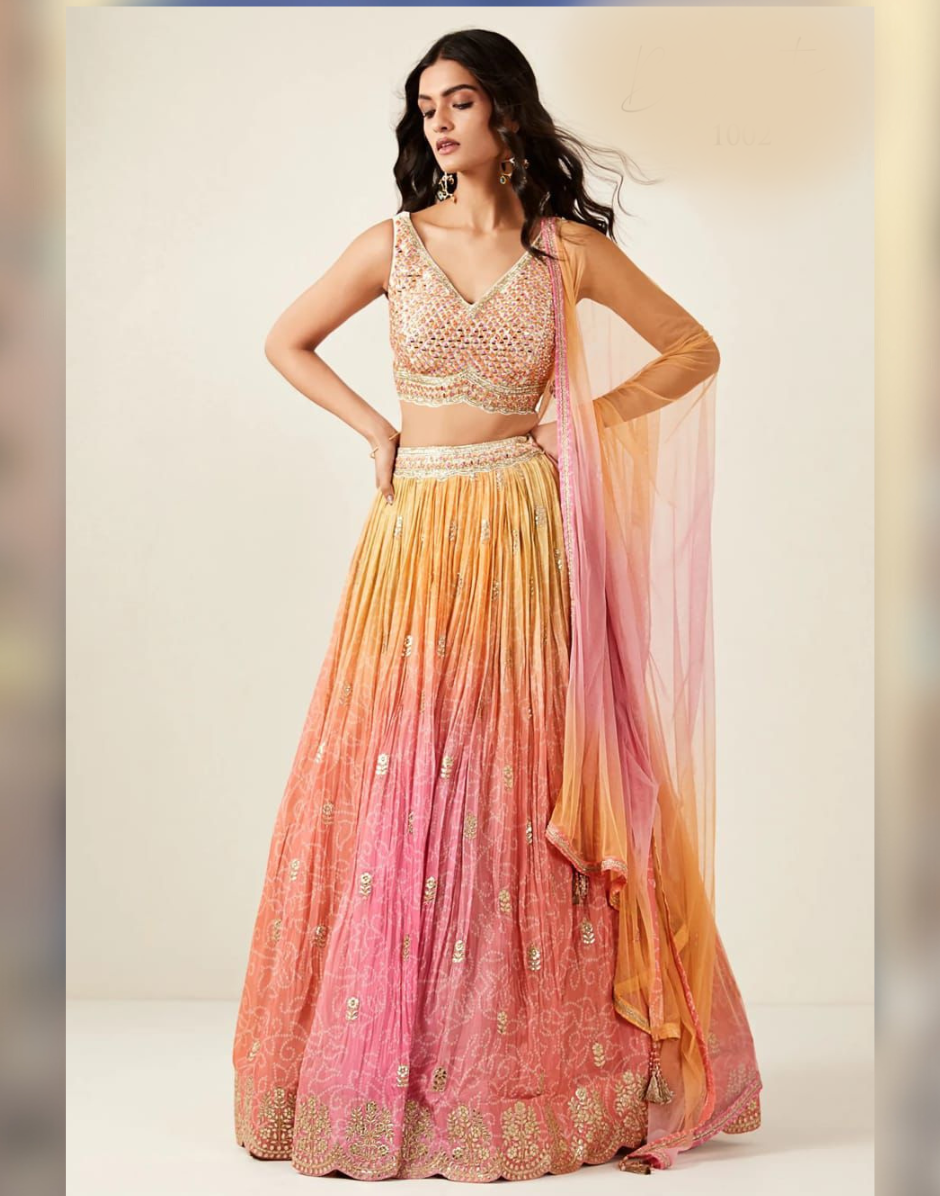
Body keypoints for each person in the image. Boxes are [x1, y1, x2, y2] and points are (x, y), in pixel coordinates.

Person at [232, 28, 762, 1181]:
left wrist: (588, 424)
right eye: (425, 103)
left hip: (524, 530)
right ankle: (389, 1071)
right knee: (401, 775)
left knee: (516, 781)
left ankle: (531, 1071)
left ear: (505, 114)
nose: (437, 120)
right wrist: (376, 430)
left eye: (460, 100)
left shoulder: (564, 251)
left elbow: (692, 347)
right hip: (416, 531)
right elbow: (286, 340)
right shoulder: (391, 244)